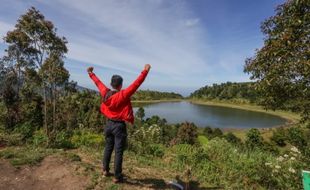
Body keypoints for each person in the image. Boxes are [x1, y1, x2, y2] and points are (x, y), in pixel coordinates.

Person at [87, 64, 151, 183]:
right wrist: (145, 71)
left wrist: (91, 73)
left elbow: (98, 83)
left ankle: (105, 170)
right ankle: (117, 176)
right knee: (118, 151)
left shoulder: (105, 93)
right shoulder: (123, 94)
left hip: (109, 125)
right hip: (119, 126)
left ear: (111, 84)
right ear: (120, 85)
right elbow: (137, 83)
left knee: (108, 148)